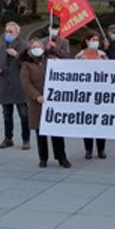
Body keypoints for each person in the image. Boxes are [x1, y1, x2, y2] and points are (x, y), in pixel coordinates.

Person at [22, 38, 70, 168]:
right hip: (37, 103)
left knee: (57, 131)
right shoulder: (26, 65)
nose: (36, 49)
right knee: (40, 132)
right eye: (33, 47)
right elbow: (26, 83)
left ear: (43, 48)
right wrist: (36, 96)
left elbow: (67, 60)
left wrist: (54, 49)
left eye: (39, 47)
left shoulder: (50, 60)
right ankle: (43, 158)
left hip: (53, 102)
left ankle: (61, 157)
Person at [0, 22, 30, 150]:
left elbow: (30, 63)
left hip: (19, 85)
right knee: (7, 115)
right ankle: (8, 138)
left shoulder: (25, 46)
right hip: (5, 84)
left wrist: (17, 55)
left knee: (24, 114)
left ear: (17, 33)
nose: (8, 34)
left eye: (11, 32)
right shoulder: (1, 47)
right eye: (6, 31)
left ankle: (26, 139)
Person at [76, 30, 109, 159]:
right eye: (93, 40)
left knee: (101, 122)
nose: (95, 42)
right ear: (87, 41)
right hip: (85, 95)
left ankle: (101, 149)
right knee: (87, 122)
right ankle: (88, 149)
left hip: (101, 94)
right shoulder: (79, 57)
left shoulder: (103, 55)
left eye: (97, 40)